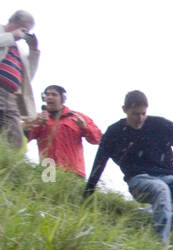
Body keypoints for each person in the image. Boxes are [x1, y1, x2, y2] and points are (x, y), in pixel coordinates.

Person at [83, 91, 173, 245]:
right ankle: (161, 244)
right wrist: (89, 190)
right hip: (139, 180)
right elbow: (100, 160)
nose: (140, 119)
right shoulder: (114, 133)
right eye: (135, 114)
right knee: (160, 188)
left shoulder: (158, 125)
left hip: (168, 175)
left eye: (143, 114)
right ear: (124, 109)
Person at [23, 84, 99, 176]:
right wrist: (37, 123)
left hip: (74, 170)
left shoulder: (77, 117)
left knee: (72, 190)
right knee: (48, 190)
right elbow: (19, 137)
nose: (49, 97)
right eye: (47, 95)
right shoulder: (37, 118)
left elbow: (97, 139)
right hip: (48, 170)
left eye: (54, 95)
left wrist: (84, 127)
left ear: (62, 99)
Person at [0, 10, 36, 150]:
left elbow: (28, 78)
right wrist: (11, 36)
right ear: (11, 21)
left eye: (26, 31)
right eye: (22, 28)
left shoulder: (18, 50)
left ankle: (8, 166)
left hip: (11, 96)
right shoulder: (5, 36)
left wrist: (33, 51)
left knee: (15, 138)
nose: (23, 33)